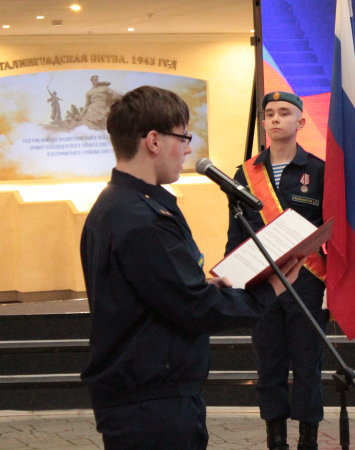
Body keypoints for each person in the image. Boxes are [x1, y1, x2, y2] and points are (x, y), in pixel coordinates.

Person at [80, 86, 304, 450]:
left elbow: (160, 293)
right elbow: (196, 309)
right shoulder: (141, 218)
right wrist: (270, 290)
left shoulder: (121, 204)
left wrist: (202, 286)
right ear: (153, 140)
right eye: (183, 137)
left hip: (146, 395)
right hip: (151, 402)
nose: (187, 149)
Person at [225, 91, 327, 450]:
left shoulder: (318, 171)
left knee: (307, 366)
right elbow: (236, 233)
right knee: (268, 367)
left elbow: (331, 230)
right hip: (261, 287)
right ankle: (276, 440)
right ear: (264, 122)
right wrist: (231, 282)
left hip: (308, 283)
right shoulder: (244, 173)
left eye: (285, 113)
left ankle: (308, 440)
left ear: (300, 122)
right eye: (269, 113)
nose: (276, 119)